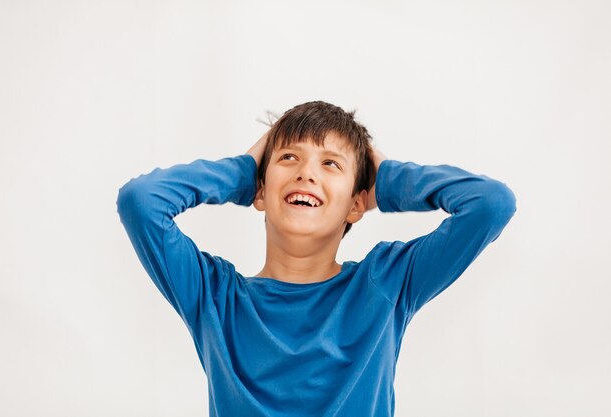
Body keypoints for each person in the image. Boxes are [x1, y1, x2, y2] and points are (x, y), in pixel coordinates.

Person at [116, 101, 517, 417]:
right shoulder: (214, 298)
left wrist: (388, 179)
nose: (307, 173)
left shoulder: (385, 283)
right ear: (260, 190)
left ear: (358, 203)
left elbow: (490, 204)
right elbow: (142, 201)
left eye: (330, 163)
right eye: (289, 157)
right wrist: (242, 172)